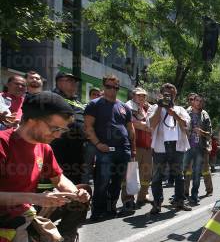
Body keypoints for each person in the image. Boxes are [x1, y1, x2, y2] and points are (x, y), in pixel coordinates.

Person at [1, 92, 100, 242]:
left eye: (62, 130)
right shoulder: (3, 143)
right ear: (32, 120)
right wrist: (37, 198)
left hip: (27, 214)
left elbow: (59, 178)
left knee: (82, 190)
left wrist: (74, 193)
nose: (58, 135)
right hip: (6, 222)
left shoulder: (44, 147)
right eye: (55, 129)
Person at [84, 75, 136, 220]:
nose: (112, 90)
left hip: (123, 151)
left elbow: (131, 130)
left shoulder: (125, 107)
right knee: (102, 182)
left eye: (115, 87)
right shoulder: (94, 104)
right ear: (103, 86)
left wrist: (132, 149)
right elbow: (88, 127)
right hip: (105, 151)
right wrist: (98, 144)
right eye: (109, 86)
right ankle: (97, 211)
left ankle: (110, 209)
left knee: (117, 182)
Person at [148, 83, 191, 214]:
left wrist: (174, 114)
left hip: (176, 146)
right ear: (161, 94)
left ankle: (179, 201)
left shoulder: (180, 109)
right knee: (157, 176)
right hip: (161, 146)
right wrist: (160, 108)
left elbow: (186, 125)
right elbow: (151, 124)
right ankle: (157, 203)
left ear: (175, 95)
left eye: (171, 94)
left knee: (179, 175)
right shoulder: (155, 107)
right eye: (166, 94)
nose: (168, 96)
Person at [51, 72, 88, 185]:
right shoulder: (51, 98)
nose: (74, 83)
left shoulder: (78, 102)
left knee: (76, 180)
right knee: (57, 178)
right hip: (59, 146)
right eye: (69, 80)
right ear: (59, 82)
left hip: (78, 148)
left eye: (74, 81)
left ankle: (73, 201)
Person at [121, 87, 153, 208]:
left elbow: (153, 123)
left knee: (147, 174)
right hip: (134, 145)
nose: (142, 98)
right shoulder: (128, 106)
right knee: (130, 174)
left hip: (148, 146)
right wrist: (148, 126)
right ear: (133, 96)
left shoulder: (146, 108)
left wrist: (147, 126)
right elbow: (134, 124)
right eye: (139, 95)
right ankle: (128, 199)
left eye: (144, 96)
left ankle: (142, 196)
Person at [183, 93, 212, 204]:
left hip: (200, 148)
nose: (199, 103)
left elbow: (209, 133)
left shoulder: (205, 115)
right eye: (196, 100)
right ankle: (184, 193)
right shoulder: (185, 113)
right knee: (185, 171)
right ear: (192, 101)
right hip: (187, 147)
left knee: (198, 172)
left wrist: (202, 132)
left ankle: (195, 194)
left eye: (201, 101)